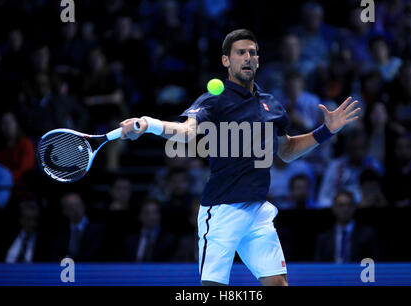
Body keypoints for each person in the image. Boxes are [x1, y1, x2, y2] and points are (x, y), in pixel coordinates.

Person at [119, 29, 360, 286]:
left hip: (257, 209)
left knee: (278, 284)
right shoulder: (214, 100)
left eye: (253, 53)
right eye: (241, 52)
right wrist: (148, 123)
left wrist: (326, 131)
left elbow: (286, 151)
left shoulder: (271, 105)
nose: (248, 57)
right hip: (222, 210)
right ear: (226, 60)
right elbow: (187, 132)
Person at [314, 190, 379, 263]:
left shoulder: (367, 234)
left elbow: (373, 264)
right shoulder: (323, 239)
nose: (345, 209)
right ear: (333, 208)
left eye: (349, 205)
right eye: (341, 205)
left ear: (355, 207)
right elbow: (319, 266)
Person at [121, 197, 176, 262]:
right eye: (147, 213)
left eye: (155, 212)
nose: (152, 217)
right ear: (140, 216)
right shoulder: (130, 241)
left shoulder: (169, 240)